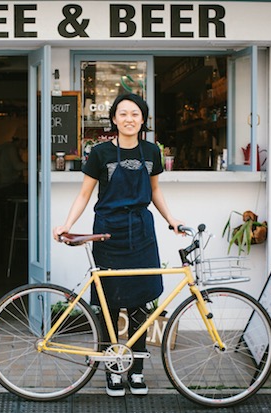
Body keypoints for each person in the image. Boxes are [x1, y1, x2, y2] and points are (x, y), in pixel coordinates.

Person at [52, 93, 183, 397]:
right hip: (108, 232)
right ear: (113, 119)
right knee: (109, 302)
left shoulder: (152, 151)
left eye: (135, 114)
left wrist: (172, 220)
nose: (128, 119)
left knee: (140, 302)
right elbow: (85, 194)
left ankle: (136, 371)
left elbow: (155, 192)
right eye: (122, 114)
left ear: (143, 119)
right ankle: (113, 368)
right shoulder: (99, 153)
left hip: (141, 231)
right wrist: (67, 225)